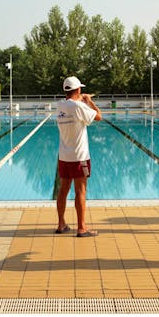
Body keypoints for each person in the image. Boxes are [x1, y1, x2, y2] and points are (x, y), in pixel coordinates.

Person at [55, 76, 102, 237]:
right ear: (78, 89)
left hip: (64, 156)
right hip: (79, 157)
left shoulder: (60, 105)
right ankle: (82, 228)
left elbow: (71, 104)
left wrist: (80, 100)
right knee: (80, 191)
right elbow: (98, 116)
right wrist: (89, 101)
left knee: (63, 189)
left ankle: (61, 224)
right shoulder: (79, 106)